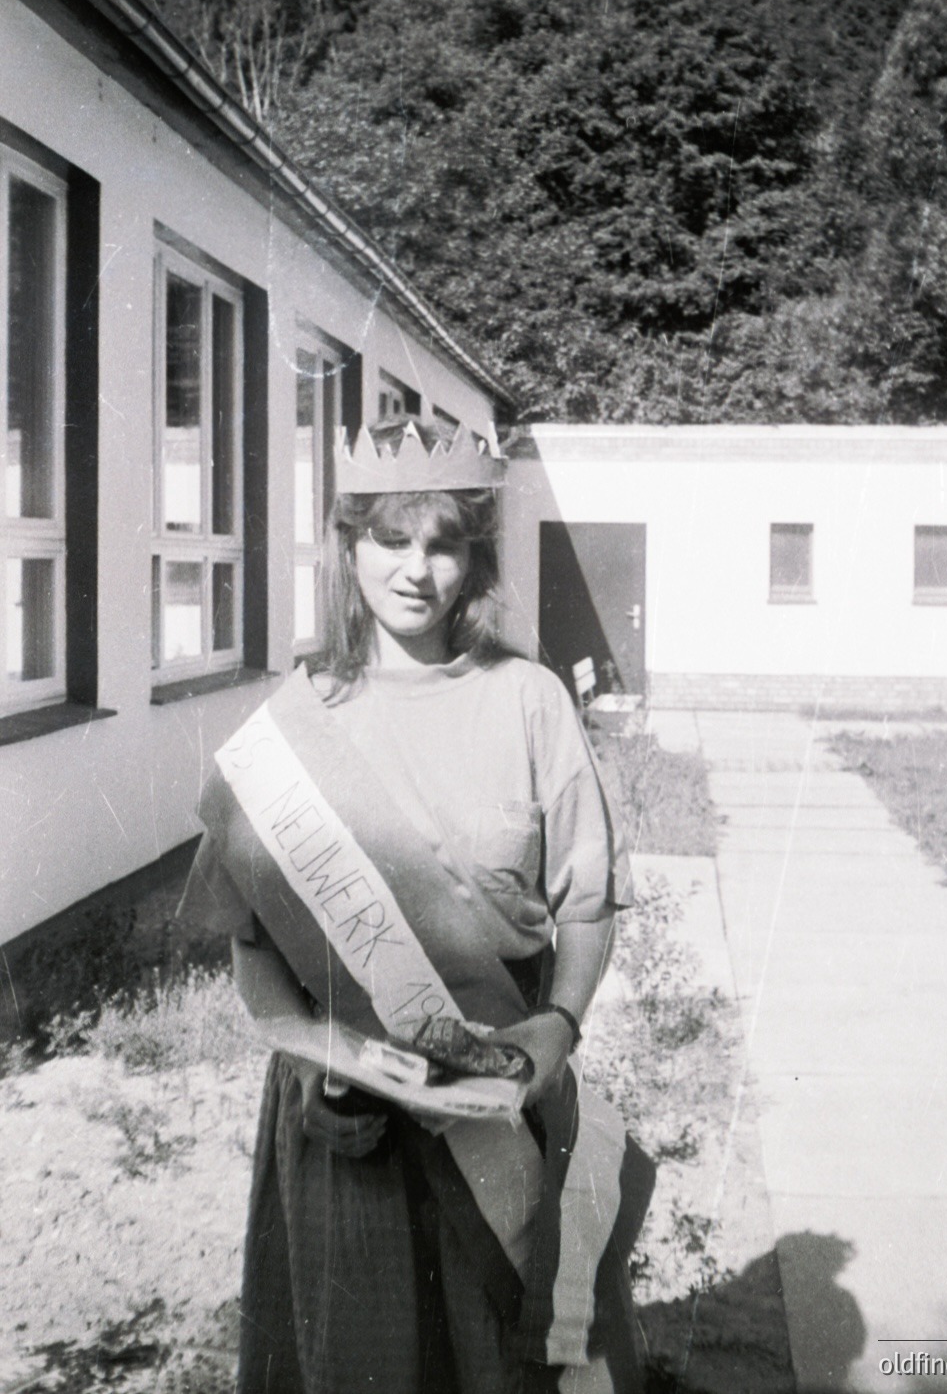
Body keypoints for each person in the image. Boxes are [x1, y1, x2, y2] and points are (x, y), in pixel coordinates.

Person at [177, 415, 653, 1394]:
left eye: (444, 542)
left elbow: (589, 901)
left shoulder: (531, 700)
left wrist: (557, 1028)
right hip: (343, 1116)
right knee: (364, 1361)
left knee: (514, 1360)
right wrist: (325, 1057)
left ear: (474, 556)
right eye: (390, 538)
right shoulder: (288, 734)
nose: (415, 569)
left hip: (505, 1090)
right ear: (347, 545)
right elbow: (255, 956)